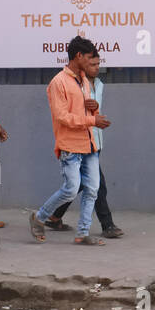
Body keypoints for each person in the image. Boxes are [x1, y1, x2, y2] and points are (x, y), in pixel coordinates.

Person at [29, 36, 111, 246]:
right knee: (71, 188)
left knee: (92, 189)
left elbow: (85, 110)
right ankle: (40, 217)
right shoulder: (58, 82)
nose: (93, 64)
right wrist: (92, 119)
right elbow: (61, 117)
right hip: (70, 145)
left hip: (89, 143)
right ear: (78, 56)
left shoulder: (83, 80)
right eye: (89, 58)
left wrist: (93, 109)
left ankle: (83, 233)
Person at [43, 50, 123, 239]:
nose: (96, 68)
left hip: (94, 140)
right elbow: (64, 116)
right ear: (81, 61)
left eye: (98, 64)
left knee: (82, 185)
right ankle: (107, 224)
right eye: (92, 64)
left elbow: (94, 113)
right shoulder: (65, 83)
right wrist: (92, 121)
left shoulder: (98, 85)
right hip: (76, 141)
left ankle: (55, 217)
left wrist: (95, 113)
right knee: (96, 185)